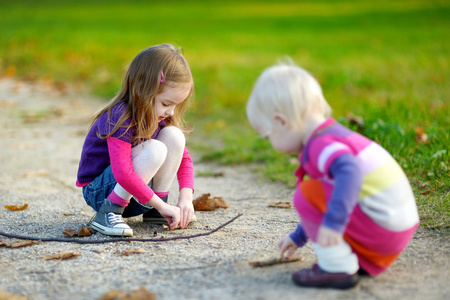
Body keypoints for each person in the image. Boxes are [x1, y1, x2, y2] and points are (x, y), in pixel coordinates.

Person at [246, 62, 419, 289]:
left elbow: (350, 171)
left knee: (304, 194)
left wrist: (333, 224)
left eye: (267, 136)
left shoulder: (321, 145)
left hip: (382, 233)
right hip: (392, 234)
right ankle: (352, 258)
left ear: (281, 122)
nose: (270, 143)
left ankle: (337, 268)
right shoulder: (334, 136)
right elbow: (330, 197)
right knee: (318, 192)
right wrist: (300, 235)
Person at [76, 44, 196, 237]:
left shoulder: (160, 117)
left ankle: (155, 211)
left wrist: (185, 199)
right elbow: (122, 173)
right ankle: (109, 212)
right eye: (166, 103)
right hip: (101, 193)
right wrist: (163, 205)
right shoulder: (120, 116)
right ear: (143, 90)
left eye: (176, 105)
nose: (171, 111)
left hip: (139, 194)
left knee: (175, 136)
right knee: (154, 149)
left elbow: (184, 159)